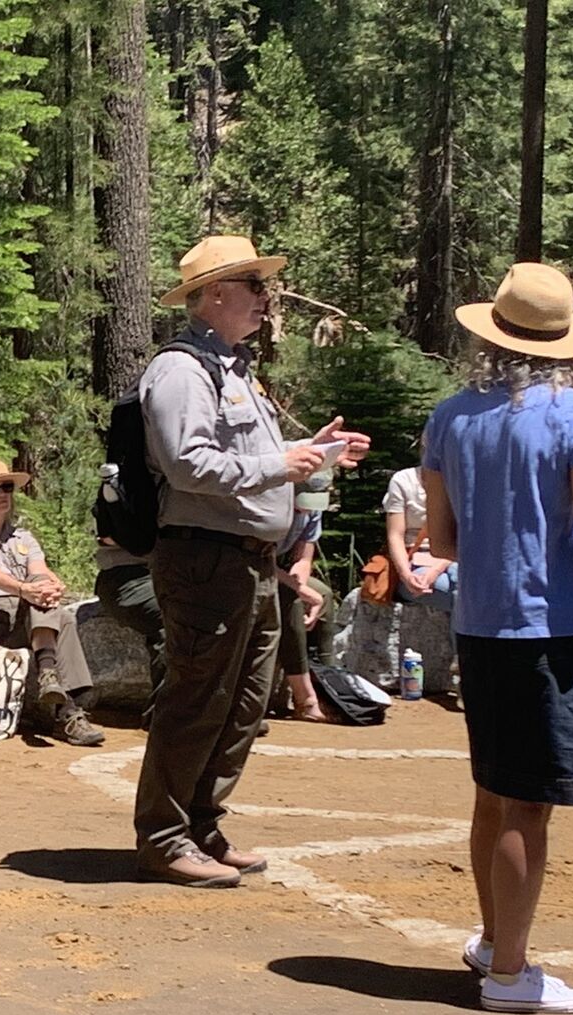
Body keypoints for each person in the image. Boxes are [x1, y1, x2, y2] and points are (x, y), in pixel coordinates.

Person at [132, 235, 370, 887]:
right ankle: (163, 836)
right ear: (215, 295)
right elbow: (187, 464)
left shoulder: (234, 369)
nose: (269, 299)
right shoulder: (182, 370)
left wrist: (311, 451)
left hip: (247, 562)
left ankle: (201, 827)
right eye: (256, 287)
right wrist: (279, 463)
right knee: (199, 697)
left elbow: (245, 460)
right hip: (206, 561)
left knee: (243, 702)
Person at [424, 261, 573, 1014]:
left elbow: (440, 536)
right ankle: (510, 971)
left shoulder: (450, 416)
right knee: (530, 806)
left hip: (480, 620)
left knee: (491, 792)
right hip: (554, 625)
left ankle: (491, 939)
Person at [0, 457, 106, 747]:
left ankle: (53, 684)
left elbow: (40, 572)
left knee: (61, 613)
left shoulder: (23, 536)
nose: (3, 494)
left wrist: (50, 586)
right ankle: (65, 702)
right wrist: (27, 590)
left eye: (7, 487)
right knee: (57, 612)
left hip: (22, 617)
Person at [274, 473, 337, 722]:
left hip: (283, 569)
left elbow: (303, 557)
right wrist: (297, 588)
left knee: (325, 594)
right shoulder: (271, 504)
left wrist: (302, 585)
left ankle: (327, 682)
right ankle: (304, 698)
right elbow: (258, 556)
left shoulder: (313, 509)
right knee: (290, 598)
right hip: (252, 566)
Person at [92, 537, 165, 718]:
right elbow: (109, 537)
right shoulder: (121, 507)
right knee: (179, 622)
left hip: (172, 576)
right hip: (128, 577)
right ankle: (163, 719)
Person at [383, 448, 457, 611]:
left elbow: (463, 538)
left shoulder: (462, 482)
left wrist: (436, 569)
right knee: (459, 595)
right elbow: (395, 535)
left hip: (452, 559)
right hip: (415, 561)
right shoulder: (403, 480)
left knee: (466, 586)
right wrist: (406, 575)